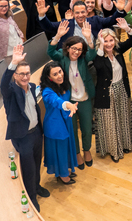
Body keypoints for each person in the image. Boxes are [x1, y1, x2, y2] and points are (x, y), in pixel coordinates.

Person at [0, 45, 50, 210]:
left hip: (36, 132)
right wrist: (13, 63)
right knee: (27, 170)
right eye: (21, 74)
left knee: (37, 163)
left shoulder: (33, 87)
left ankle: (36, 187)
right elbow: (3, 85)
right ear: (15, 75)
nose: (25, 76)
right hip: (23, 136)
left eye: (27, 73)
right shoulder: (11, 92)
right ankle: (31, 197)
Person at [49, 22, 96, 170]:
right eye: (74, 48)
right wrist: (57, 36)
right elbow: (50, 51)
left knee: (87, 128)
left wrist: (88, 39)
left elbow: (92, 54)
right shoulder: (62, 58)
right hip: (69, 101)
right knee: (72, 129)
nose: (76, 52)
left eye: (79, 49)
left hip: (85, 99)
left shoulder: (83, 58)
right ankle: (76, 153)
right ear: (68, 48)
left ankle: (87, 150)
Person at [93, 21, 132, 162]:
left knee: (123, 118)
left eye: (111, 40)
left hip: (122, 90)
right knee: (110, 122)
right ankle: (114, 150)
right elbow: (99, 66)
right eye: (105, 41)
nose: (108, 44)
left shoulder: (118, 51)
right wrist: (101, 45)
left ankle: (125, 145)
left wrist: (127, 29)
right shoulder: (98, 55)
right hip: (107, 94)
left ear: (115, 40)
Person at [39, 61, 79, 185]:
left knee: (67, 147)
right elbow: (57, 102)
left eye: (60, 71)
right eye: (55, 74)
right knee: (60, 150)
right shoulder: (47, 91)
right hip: (55, 125)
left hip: (65, 121)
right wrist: (68, 105)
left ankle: (65, 169)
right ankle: (63, 175)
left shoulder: (62, 84)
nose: (59, 76)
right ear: (49, 77)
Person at [38, 0, 129, 47]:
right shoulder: (66, 24)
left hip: (93, 57)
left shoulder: (95, 20)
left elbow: (112, 20)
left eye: (82, 12)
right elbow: (48, 26)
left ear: (86, 12)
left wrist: (120, 11)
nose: (80, 15)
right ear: (73, 14)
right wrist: (42, 15)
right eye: (77, 13)